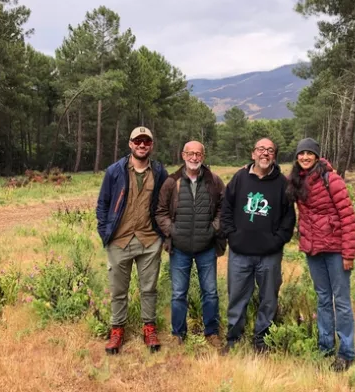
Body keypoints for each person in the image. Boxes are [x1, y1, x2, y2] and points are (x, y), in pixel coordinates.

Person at [286, 138, 355, 372]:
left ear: (317, 156)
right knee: (323, 299)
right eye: (301, 153)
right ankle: (325, 346)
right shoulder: (296, 180)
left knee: (342, 302)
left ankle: (346, 352)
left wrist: (348, 254)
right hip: (313, 250)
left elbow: (348, 217)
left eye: (309, 153)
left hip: (336, 251)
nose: (305, 157)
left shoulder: (332, 180)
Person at [96, 126, 168, 355]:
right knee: (118, 290)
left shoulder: (159, 172)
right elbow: (102, 204)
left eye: (146, 141)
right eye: (138, 141)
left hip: (149, 240)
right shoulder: (114, 171)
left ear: (151, 146)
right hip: (119, 240)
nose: (142, 145)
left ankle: (149, 328)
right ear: (130, 144)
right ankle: (117, 330)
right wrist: (105, 232)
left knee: (149, 288)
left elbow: (165, 205)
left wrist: (162, 234)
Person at [220, 138, 296, 354]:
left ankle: (261, 340)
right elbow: (226, 208)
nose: (265, 154)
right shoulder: (239, 178)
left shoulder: (282, 183)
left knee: (269, 298)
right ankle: (234, 339)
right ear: (253, 153)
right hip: (240, 253)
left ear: (274, 155)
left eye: (270, 150)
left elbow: (289, 218)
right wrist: (231, 235)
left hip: (269, 255)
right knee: (236, 297)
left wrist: (277, 240)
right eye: (261, 149)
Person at [156, 141, 225, 348]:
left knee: (210, 292)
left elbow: (224, 208)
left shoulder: (214, 181)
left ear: (203, 156)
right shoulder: (172, 182)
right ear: (183, 155)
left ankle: (211, 332)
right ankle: (178, 334)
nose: (194, 158)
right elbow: (160, 212)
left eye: (198, 154)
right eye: (190, 154)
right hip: (179, 249)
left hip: (206, 248)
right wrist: (173, 231)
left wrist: (213, 228)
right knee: (178, 293)